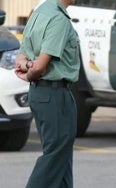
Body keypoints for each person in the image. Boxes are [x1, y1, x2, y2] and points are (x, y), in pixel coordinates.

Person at [15, 0, 79, 187]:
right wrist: (31, 73)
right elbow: (42, 66)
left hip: (41, 93)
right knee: (56, 155)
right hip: (55, 93)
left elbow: (21, 58)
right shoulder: (58, 19)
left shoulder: (38, 13)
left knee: (62, 157)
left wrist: (28, 68)